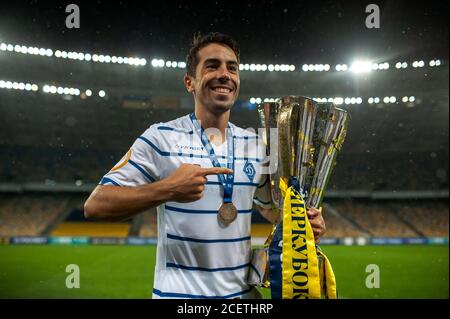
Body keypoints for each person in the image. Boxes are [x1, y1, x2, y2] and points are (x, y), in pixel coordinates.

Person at [84, 32, 326, 299]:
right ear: (190, 82)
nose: (224, 74)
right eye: (212, 66)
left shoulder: (257, 145)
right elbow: (96, 206)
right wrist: (167, 189)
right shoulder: (160, 137)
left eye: (232, 68)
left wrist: (304, 224)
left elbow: (273, 212)